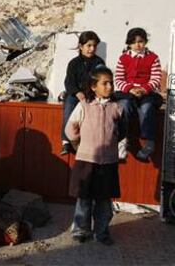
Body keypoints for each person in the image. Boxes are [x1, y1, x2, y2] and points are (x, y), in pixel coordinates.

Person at [66, 66, 123, 246]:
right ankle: (81, 230)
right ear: (93, 86)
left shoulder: (116, 108)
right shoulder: (84, 106)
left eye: (111, 83)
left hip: (108, 162)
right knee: (84, 198)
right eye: (104, 83)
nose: (109, 86)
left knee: (104, 200)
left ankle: (102, 231)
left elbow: (122, 131)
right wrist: (77, 144)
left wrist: (115, 145)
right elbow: (70, 128)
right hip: (86, 160)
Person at [115, 28, 163, 161]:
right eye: (134, 42)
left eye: (141, 42)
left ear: (145, 42)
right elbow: (119, 79)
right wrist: (130, 89)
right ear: (128, 43)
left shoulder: (153, 58)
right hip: (128, 92)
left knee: (147, 108)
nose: (137, 45)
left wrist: (144, 88)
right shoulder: (123, 58)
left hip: (146, 92)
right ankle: (122, 141)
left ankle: (149, 143)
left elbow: (156, 78)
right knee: (123, 106)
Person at [61, 31, 105, 155]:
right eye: (89, 45)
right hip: (75, 95)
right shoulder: (74, 63)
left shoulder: (99, 62)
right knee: (69, 106)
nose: (92, 49)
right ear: (81, 46)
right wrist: (77, 93)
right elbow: (69, 82)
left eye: (94, 46)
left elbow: (101, 80)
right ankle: (66, 142)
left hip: (92, 95)